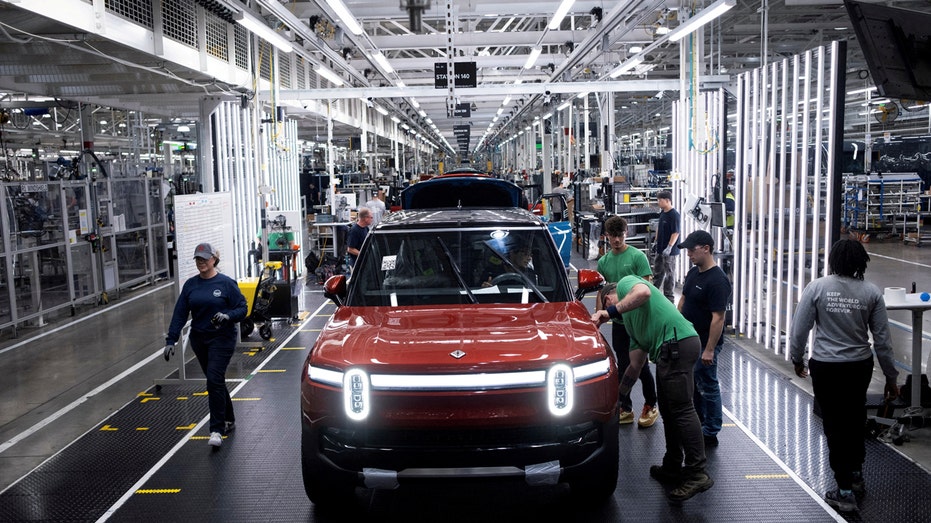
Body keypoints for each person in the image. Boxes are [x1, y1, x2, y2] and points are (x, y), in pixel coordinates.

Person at [789, 239, 898, 513]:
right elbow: (883, 341)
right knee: (855, 418)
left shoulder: (817, 288)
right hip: (859, 366)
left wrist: (797, 358)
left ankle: (844, 491)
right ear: (862, 262)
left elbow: (799, 329)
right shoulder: (871, 292)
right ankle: (856, 475)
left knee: (835, 425)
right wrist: (891, 377)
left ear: (833, 261)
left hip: (826, 367)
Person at [592, 276, 712, 502]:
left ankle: (697, 473)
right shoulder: (631, 325)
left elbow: (644, 293)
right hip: (669, 351)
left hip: (678, 343)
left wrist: (610, 312)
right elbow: (634, 366)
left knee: (682, 410)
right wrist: (618, 397)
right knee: (668, 411)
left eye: (607, 305)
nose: (610, 313)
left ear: (609, 298)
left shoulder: (626, 283)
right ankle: (673, 465)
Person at [163, 243, 248, 448]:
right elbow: (180, 313)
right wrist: (171, 340)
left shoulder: (226, 284)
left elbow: (242, 308)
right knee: (215, 380)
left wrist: (227, 316)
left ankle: (216, 429)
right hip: (199, 340)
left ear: (213, 260)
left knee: (213, 379)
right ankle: (229, 418)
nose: (201, 262)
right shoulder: (191, 285)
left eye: (204, 258)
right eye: (198, 259)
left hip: (222, 339)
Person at [596, 216, 659, 428]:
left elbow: (646, 289)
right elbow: (602, 291)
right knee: (622, 365)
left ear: (626, 234)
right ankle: (626, 407)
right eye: (613, 236)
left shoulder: (637, 257)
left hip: (638, 322)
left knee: (640, 366)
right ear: (607, 236)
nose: (616, 240)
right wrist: (598, 316)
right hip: (619, 323)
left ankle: (651, 404)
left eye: (620, 236)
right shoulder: (603, 262)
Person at [676, 230, 732, 449]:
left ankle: (711, 431)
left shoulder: (718, 281)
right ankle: (699, 422)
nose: (689, 254)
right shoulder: (693, 273)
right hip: (689, 339)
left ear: (706, 249)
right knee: (694, 383)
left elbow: (718, 318)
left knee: (707, 385)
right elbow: (683, 301)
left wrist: (709, 349)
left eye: (692, 250)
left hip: (705, 342)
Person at [652, 189, 680, 302]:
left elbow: (676, 233)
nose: (658, 202)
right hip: (660, 247)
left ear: (668, 200)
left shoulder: (674, 215)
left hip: (670, 251)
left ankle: (669, 298)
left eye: (660, 200)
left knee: (669, 274)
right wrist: (656, 241)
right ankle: (654, 293)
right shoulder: (663, 213)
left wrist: (669, 247)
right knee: (658, 271)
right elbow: (659, 227)